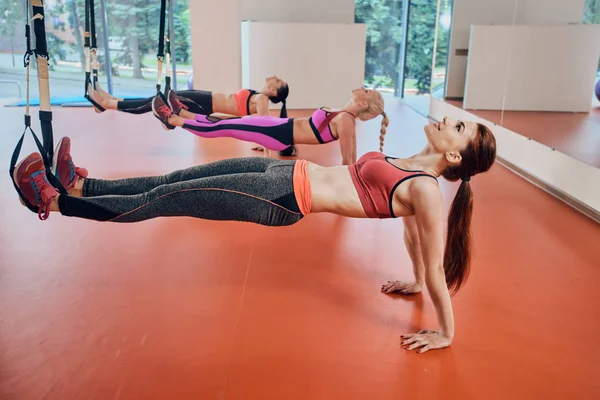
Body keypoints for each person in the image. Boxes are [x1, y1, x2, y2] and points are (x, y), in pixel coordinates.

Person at [12, 115, 497, 353]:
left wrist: (447, 332)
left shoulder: (428, 191)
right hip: (283, 172)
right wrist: (412, 279)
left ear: (454, 157)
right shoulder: (409, 166)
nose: (449, 119)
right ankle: (80, 183)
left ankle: (54, 201)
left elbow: (434, 260)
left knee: (166, 202)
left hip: (283, 201)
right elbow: (413, 239)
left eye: (458, 128)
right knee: (173, 180)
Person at [153, 87, 388, 166]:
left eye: (367, 90)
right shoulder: (343, 114)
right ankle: (183, 111)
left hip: (278, 132)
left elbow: (349, 163)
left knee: (221, 128)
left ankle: (172, 119)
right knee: (224, 121)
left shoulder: (346, 121)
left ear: (363, 102)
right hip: (278, 125)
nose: (362, 87)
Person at [88, 75, 294, 156]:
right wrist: (261, 144)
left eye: (277, 81)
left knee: (155, 101)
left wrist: (267, 154)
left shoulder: (262, 100)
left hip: (204, 103)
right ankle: (111, 100)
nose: (274, 77)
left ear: (274, 92)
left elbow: (266, 126)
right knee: (157, 98)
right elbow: (262, 125)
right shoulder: (260, 97)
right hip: (205, 101)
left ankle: (107, 104)